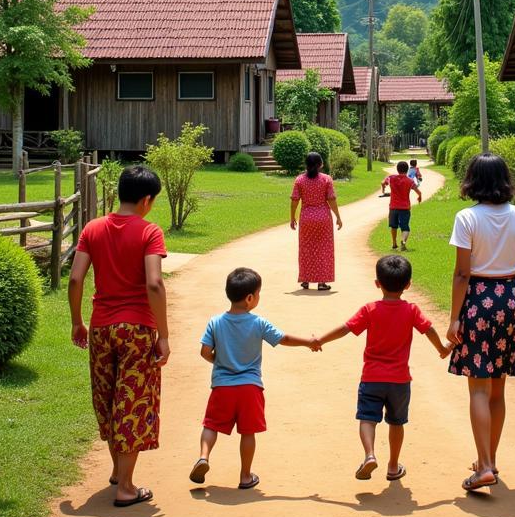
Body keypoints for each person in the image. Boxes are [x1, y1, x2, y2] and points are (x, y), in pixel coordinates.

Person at [447, 153, 515, 492]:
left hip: (478, 301)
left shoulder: (466, 218)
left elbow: (463, 272)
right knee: (498, 387)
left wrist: (453, 318)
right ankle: (488, 459)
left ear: (472, 181)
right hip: (510, 299)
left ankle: (485, 466)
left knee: (478, 386)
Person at [68, 164, 168, 508]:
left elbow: (75, 279)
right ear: (146, 200)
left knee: (108, 398)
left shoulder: (93, 228)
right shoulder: (149, 232)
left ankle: (117, 470)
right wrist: (164, 335)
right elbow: (154, 282)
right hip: (137, 329)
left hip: (100, 327)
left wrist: (76, 322)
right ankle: (126, 486)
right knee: (133, 403)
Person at [313, 255, 450, 481]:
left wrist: (320, 340)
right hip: (399, 380)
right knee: (396, 423)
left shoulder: (370, 309)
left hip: (372, 378)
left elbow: (346, 328)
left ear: (377, 283)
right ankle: (393, 466)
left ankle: (369, 454)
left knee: (367, 418)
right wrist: (442, 349)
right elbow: (429, 330)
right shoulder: (412, 310)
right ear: (408, 284)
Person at [189, 267, 320, 489]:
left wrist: (219, 362)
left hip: (222, 387)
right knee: (247, 432)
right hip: (250, 387)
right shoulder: (258, 323)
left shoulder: (215, 322)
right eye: (258, 294)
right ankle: (245, 475)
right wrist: (309, 342)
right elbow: (283, 338)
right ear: (250, 298)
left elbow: (204, 352)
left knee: (211, 425)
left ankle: (203, 456)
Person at [290, 152, 343, 291]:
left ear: (306, 165)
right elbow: (331, 199)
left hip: (306, 218)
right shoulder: (326, 179)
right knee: (324, 249)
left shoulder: (300, 180)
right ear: (321, 164)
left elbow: (295, 200)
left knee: (306, 248)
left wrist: (292, 217)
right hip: (323, 218)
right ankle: (321, 282)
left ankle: (306, 280)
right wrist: (338, 216)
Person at [381, 160, 422, 251]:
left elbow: (383, 182)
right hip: (404, 208)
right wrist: (419, 197)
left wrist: (383, 189)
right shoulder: (409, 181)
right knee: (405, 227)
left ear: (397, 169)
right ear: (407, 170)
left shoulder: (391, 178)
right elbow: (418, 192)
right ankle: (403, 241)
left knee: (393, 226)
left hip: (393, 207)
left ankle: (394, 244)